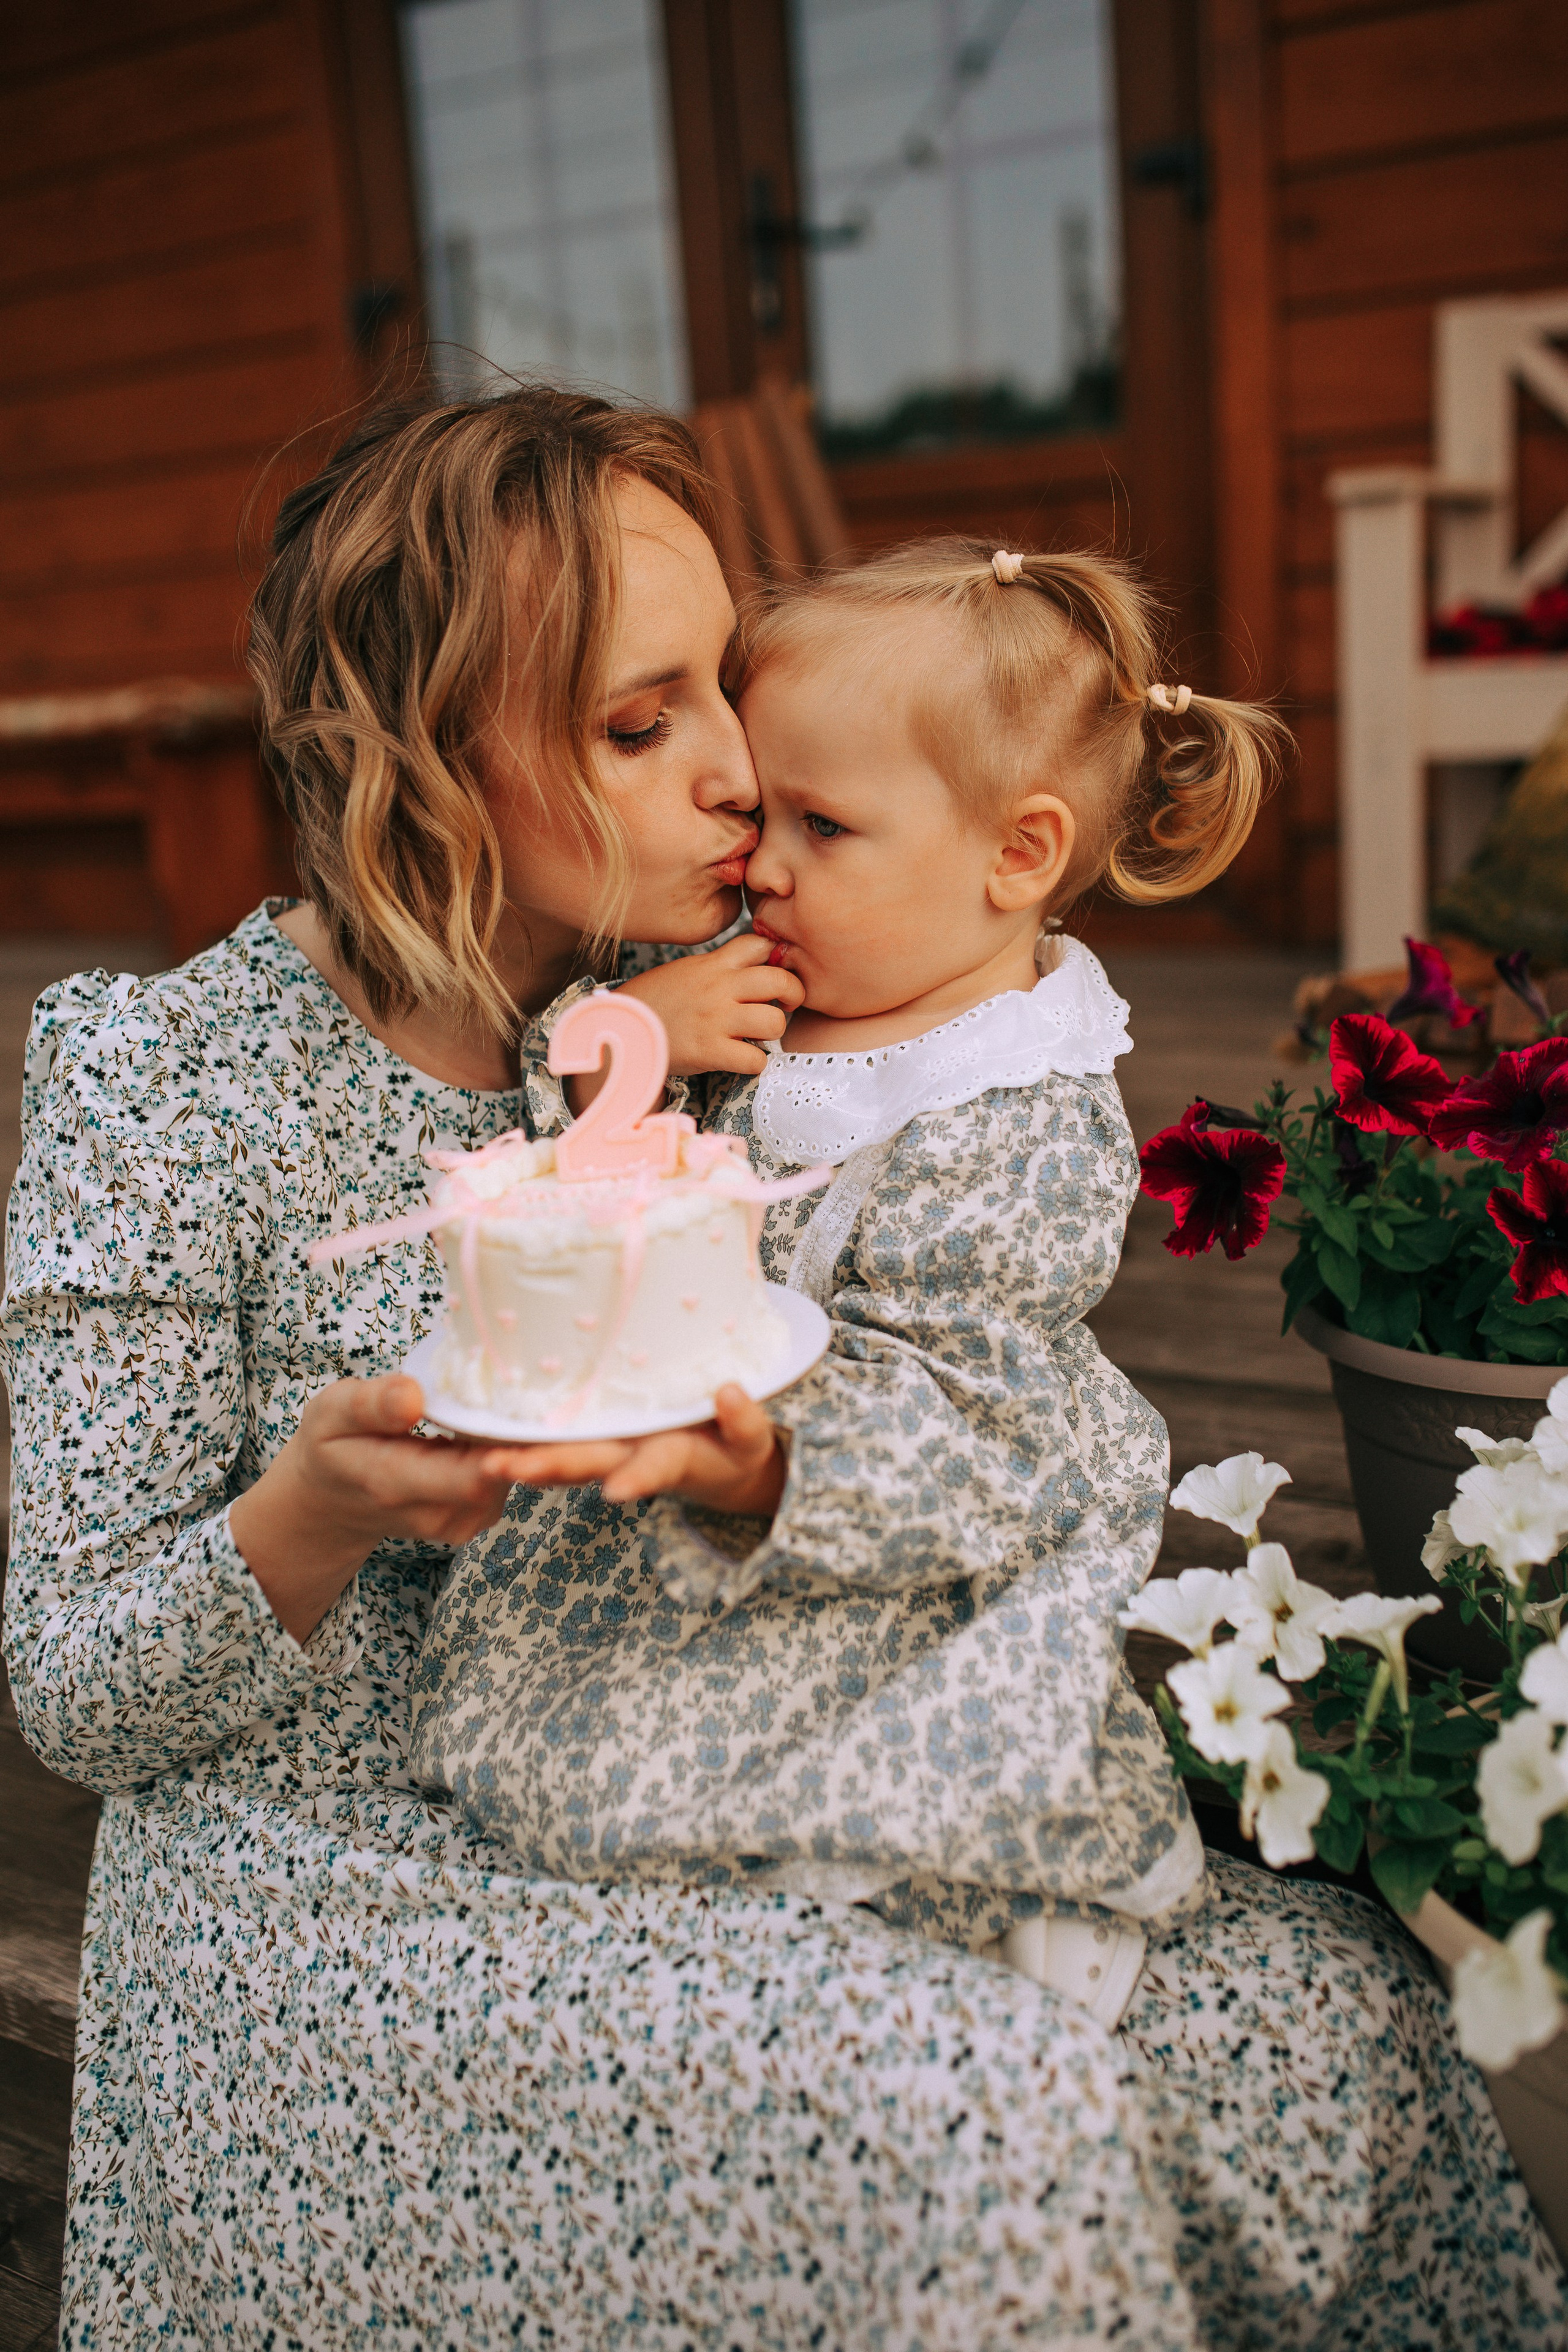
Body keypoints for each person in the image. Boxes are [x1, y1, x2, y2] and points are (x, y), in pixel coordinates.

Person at [2, 390, 1560, 2349]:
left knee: (1324, 2011)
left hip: (714, 1742)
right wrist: (307, 1519)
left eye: (722, 687)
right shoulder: (162, 1087)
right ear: (415, 755)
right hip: (339, 1870)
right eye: (638, 724)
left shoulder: (729, 989)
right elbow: (79, 1688)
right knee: (989, 2122)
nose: (742, 776)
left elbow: (962, 1211)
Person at [408, 541, 1280, 2021]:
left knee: (932, 1741)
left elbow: (968, 1406)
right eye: (767, 811)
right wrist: (626, 1040)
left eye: (821, 825)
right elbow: (603, 1174)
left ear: (1015, 857)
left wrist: (770, 1471)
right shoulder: (762, 978)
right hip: (693, 1470)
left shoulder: (1012, 1106)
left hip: (908, 1512)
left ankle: (956, 1903)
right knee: (576, 1721)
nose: (761, 863)